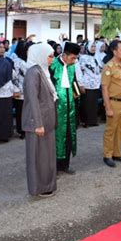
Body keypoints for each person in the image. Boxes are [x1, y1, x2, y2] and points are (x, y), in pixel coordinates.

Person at [22, 43, 58, 197]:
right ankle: (38, 188)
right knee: (37, 158)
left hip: (47, 120)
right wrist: (38, 123)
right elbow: (33, 99)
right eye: (50, 56)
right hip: (38, 122)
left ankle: (47, 185)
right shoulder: (33, 72)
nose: (52, 59)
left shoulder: (43, 71)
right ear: (41, 55)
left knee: (47, 157)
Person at [49, 42, 81, 174]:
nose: (75, 60)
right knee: (57, 137)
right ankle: (54, 167)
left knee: (69, 135)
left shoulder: (72, 66)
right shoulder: (53, 65)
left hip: (70, 107)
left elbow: (74, 81)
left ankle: (65, 165)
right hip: (56, 107)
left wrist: (77, 94)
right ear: (65, 55)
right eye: (73, 58)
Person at [101, 40, 121, 167]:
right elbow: (105, 89)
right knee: (111, 130)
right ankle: (107, 155)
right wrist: (108, 107)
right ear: (114, 51)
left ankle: (117, 153)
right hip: (114, 103)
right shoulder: (108, 67)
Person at [76, 41, 101, 127]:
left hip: (96, 84)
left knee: (94, 103)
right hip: (87, 83)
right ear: (88, 48)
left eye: (94, 47)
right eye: (92, 47)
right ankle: (86, 121)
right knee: (87, 103)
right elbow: (80, 71)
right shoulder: (83, 58)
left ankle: (93, 121)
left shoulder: (96, 57)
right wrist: (81, 84)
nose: (93, 48)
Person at [12, 41, 29, 139]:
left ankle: (28, 129)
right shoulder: (17, 61)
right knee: (21, 112)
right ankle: (21, 131)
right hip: (20, 91)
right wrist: (16, 89)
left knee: (28, 112)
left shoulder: (29, 61)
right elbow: (14, 77)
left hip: (28, 91)